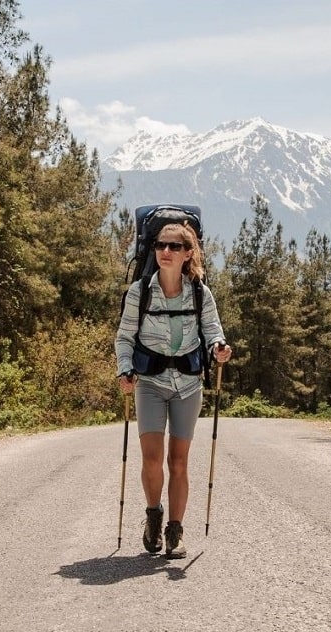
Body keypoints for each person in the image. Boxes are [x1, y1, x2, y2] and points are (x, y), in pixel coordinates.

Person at [115, 214, 232, 559]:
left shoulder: (199, 293)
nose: (166, 251)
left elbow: (212, 331)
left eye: (174, 246)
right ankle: (154, 516)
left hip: (188, 385)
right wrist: (125, 370)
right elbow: (125, 338)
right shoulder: (139, 292)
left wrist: (219, 349)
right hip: (149, 382)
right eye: (161, 245)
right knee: (152, 459)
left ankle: (175, 532)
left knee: (178, 462)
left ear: (187, 253)